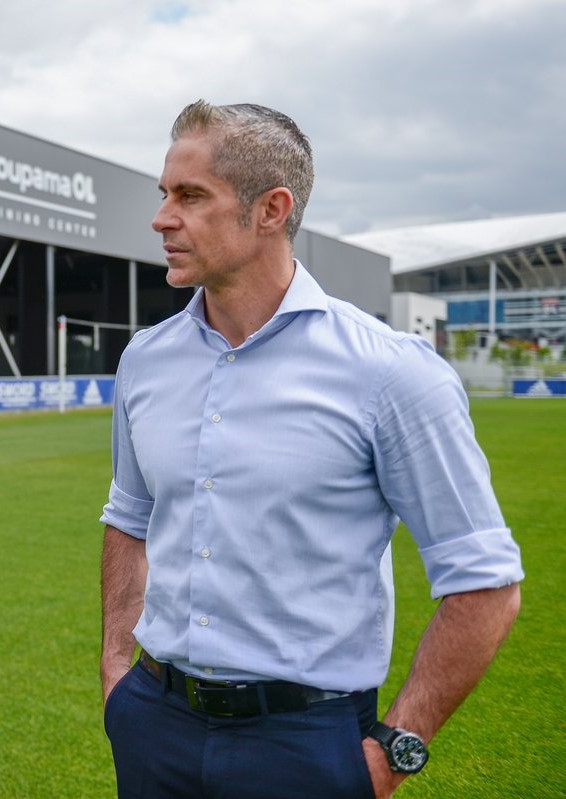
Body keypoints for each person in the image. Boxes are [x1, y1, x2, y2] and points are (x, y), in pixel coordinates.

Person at [99, 100, 522, 799]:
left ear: (272, 210)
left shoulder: (390, 371)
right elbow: (128, 516)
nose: (162, 217)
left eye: (191, 196)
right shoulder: (145, 360)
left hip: (305, 743)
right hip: (154, 721)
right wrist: (118, 671)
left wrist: (393, 751)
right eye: (164, 193)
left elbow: (486, 580)